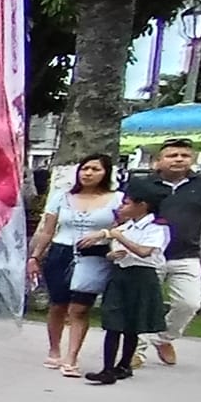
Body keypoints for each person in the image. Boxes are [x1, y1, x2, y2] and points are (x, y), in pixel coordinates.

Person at [27, 155, 120, 376]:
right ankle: (54, 348)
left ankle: (72, 356)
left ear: (106, 173)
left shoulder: (117, 199)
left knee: (80, 307)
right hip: (62, 251)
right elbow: (48, 230)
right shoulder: (62, 196)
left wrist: (105, 235)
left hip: (94, 253)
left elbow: (124, 227)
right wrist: (35, 256)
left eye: (95, 169)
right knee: (58, 304)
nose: (88, 173)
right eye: (85, 168)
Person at [83, 177, 173, 385]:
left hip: (142, 277)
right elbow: (113, 250)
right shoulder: (127, 227)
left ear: (142, 205)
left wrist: (119, 237)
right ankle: (107, 368)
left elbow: (144, 251)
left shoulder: (157, 227)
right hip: (121, 275)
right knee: (114, 322)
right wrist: (111, 255)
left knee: (133, 323)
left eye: (127, 203)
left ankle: (124, 365)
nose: (122, 206)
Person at [147, 139, 201, 365]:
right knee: (145, 304)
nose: (179, 159)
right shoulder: (144, 185)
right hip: (149, 255)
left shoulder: (200, 185)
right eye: (172, 155)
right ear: (158, 161)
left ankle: (163, 338)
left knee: (189, 304)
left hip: (187, 255)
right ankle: (135, 352)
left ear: (193, 159)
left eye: (184, 155)